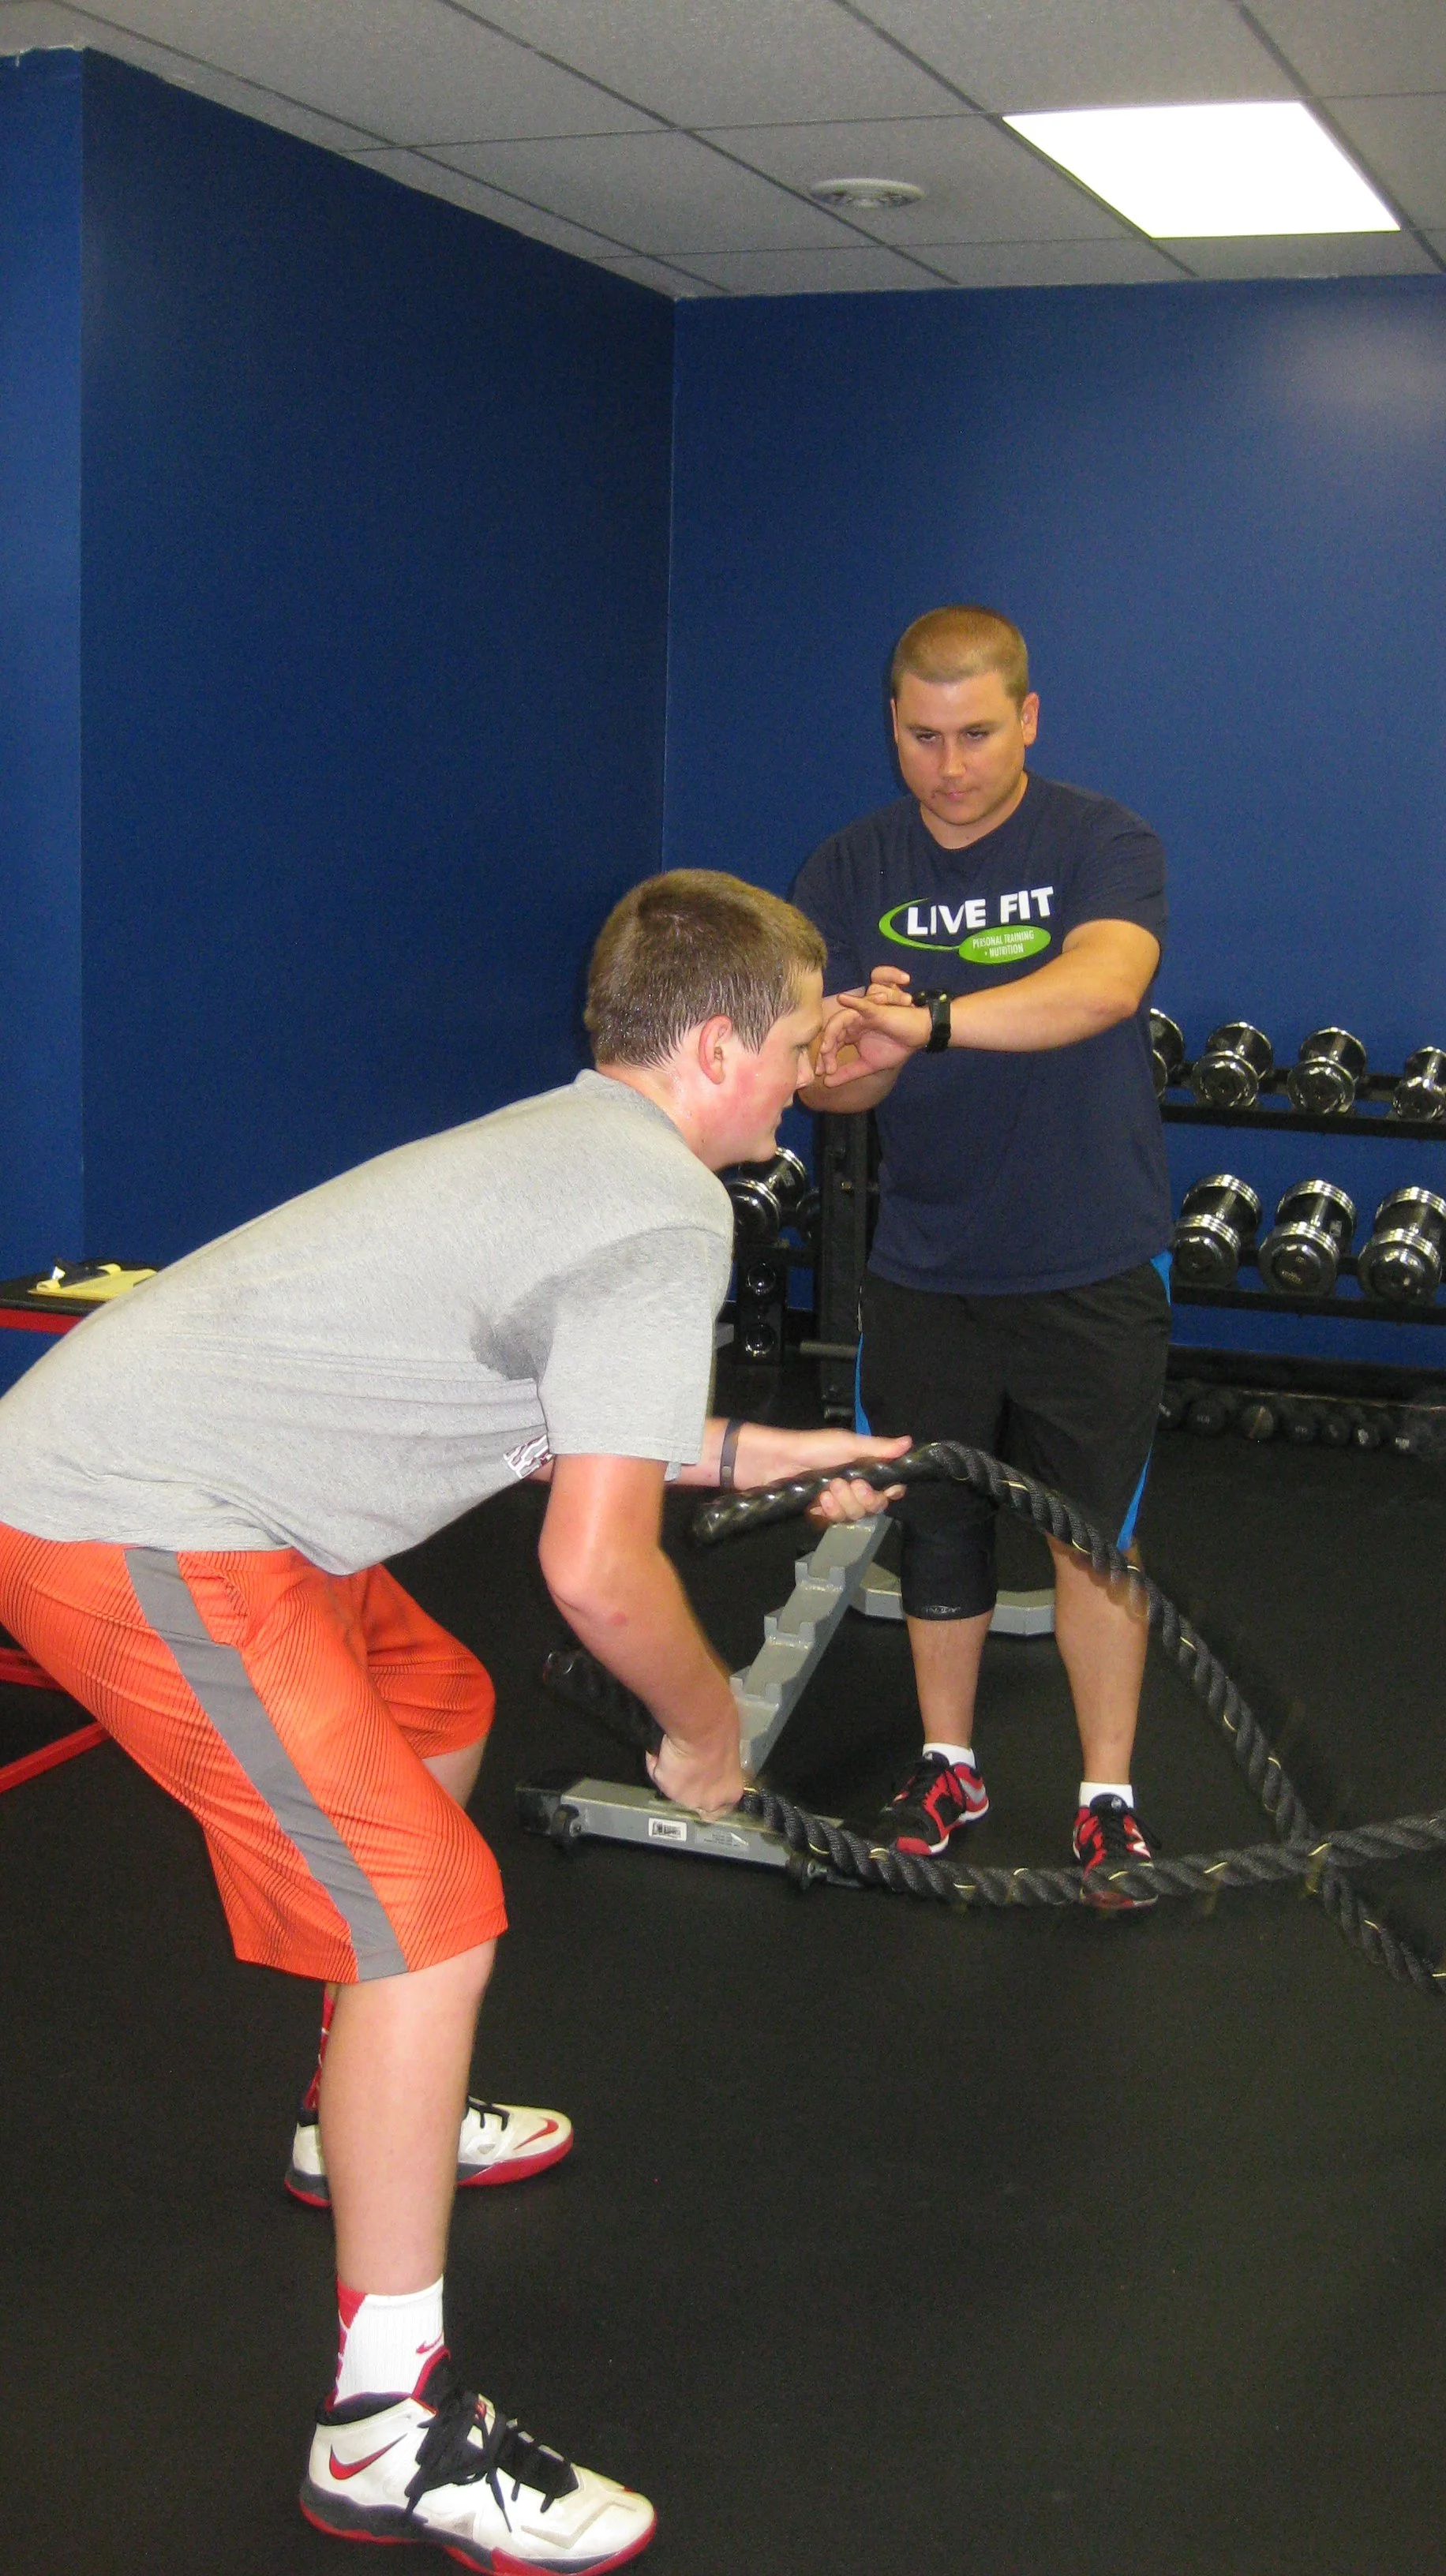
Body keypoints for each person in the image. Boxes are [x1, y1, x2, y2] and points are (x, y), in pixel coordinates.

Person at [0, 869, 908, 2571]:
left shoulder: (579, 1147)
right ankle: (384, 2429)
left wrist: (755, 1452)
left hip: (217, 1492)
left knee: (436, 1697)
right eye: (791, 1043)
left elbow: (555, 1400)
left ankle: (350, 2110)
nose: (803, 1075)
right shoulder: (663, 1212)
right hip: (137, 1523)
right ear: (718, 1044)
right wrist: (707, 1735)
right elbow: (593, 1565)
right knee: (426, 1921)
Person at [792, 604, 1172, 1907]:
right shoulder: (848, 867)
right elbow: (831, 1093)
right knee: (936, 1529)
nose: (948, 766)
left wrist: (932, 1021)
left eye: (974, 734)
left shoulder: (1100, 841)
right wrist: (853, 1045)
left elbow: (1104, 986)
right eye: (921, 737)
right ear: (891, 726)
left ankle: (1106, 1793)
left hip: (1091, 1257)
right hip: (928, 1262)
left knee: (1093, 1545)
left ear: (1027, 719)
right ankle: (947, 1764)